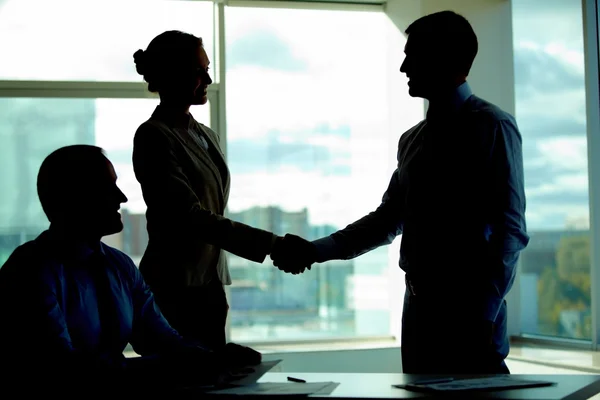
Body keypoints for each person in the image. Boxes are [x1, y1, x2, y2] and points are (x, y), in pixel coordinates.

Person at [271, 11, 529, 374]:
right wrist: (314, 251)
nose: (403, 67)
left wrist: (483, 316)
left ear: (443, 59)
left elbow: (510, 230)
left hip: (469, 315)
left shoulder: (493, 126)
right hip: (419, 313)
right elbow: (387, 220)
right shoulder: (412, 140)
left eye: (413, 56)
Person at [0, 145, 260, 393]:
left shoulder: (120, 267)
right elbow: (61, 372)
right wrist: (180, 365)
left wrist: (214, 358)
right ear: (73, 197)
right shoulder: (30, 271)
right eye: (106, 186)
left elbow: (160, 339)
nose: (121, 197)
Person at [131, 30, 310, 350]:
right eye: (197, 71)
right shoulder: (153, 136)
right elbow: (189, 216)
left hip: (209, 285)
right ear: (171, 75)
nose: (208, 78)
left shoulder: (205, 135)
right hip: (174, 287)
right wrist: (271, 244)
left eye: (207, 68)